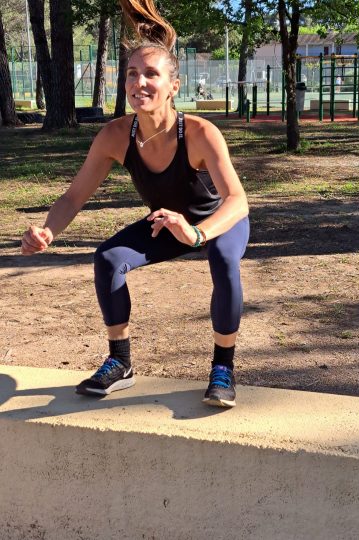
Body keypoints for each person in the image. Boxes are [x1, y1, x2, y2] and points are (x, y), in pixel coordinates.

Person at [20, 0, 249, 408]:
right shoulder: (114, 135)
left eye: (150, 74)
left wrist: (198, 231)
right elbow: (74, 196)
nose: (138, 83)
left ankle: (223, 368)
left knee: (223, 260)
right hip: (166, 223)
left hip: (217, 222)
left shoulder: (198, 133)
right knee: (108, 258)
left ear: (173, 86)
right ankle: (120, 361)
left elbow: (237, 201)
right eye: (131, 74)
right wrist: (47, 230)